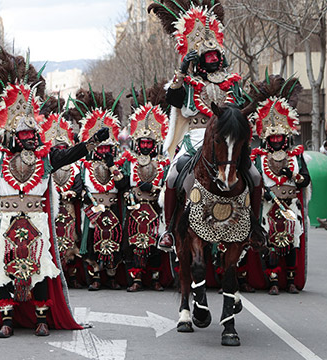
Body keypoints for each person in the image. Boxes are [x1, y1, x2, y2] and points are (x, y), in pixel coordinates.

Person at [0, 48, 95, 338]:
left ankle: (41, 318)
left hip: (38, 221)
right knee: (4, 269)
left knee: (39, 270)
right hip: (7, 222)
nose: (27, 138)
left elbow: (68, 156)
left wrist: (90, 143)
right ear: (11, 134)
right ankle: (7, 320)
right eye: (22, 134)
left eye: (31, 134)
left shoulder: (45, 159)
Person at [148, 0, 264, 252]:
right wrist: (181, 70)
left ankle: (255, 227)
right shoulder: (187, 82)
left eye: (216, 56)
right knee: (173, 175)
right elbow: (173, 99)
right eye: (207, 56)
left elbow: (242, 108)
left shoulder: (232, 83)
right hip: (196, 136)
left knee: (254, 175)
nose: (212, 59)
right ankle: (168, 230)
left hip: (228, 139)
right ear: (199, 59)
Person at [249, 75, 311, 295]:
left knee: (292, 241)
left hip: (290, 205)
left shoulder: (296, 156)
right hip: (268, 207)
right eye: (272, 138)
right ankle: (273, 280)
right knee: (269, 242)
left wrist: (292, 175)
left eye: (279, 138)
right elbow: (254, 180)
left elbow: (305, 179)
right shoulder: (258, 157)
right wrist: (263, 192)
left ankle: (292, 280)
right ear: (267, 138)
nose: (276, 141)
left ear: (286, 138)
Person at [118, 82, 170, 292]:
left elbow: (168, 183)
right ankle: (136, 279)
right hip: (134, 207)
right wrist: (130, 181)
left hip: (155, 208)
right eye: (143, 143)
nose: (146, 146)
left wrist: (155, 188)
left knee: (155, 243)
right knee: (132, 243)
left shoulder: (163, 161)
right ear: (137, 143)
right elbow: (119, 183)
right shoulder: (127, 160)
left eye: (150, 143)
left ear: (155, 144)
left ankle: (156, 279)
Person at [74, 88, 127, 291]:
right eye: (101, 149)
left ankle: (112, 276)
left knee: (113, 240)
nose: (104, 152)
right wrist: (87, 199)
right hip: (92, 209)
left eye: (107, 149)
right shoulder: (83, 165)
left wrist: (112, 165)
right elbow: (79, 187)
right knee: (91, 243)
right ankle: (94, 277)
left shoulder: (118, 165)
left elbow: (122, 186)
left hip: (112, 207)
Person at [41, 98, 85, 289]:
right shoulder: (45, 165)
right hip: (51, 210)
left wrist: (71, 193)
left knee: (71, 240)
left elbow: (78, 187)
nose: (59, 151)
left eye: (62, 148)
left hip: (68, 210)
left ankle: (72, 274)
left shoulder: (75, 168)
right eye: (55, 148)